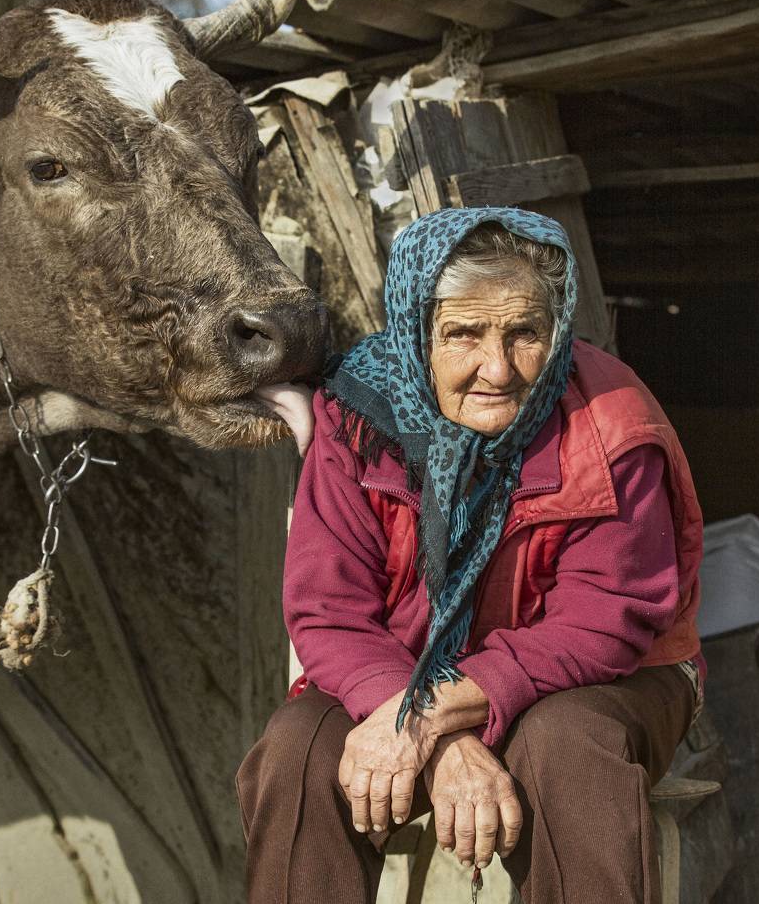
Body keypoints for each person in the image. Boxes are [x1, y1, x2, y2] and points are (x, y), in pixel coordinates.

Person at [237, 207, 704, 904]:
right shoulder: (357, 417)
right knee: (298, 750)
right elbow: (330, 612)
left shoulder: (612, 423)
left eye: (525, 333)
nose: (498, 368)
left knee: (565, 746)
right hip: (397, 675)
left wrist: (430, 716)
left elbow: (603, 622)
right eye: (463, 334)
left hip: (600, 681)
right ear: (417, 332)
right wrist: (437, 733)